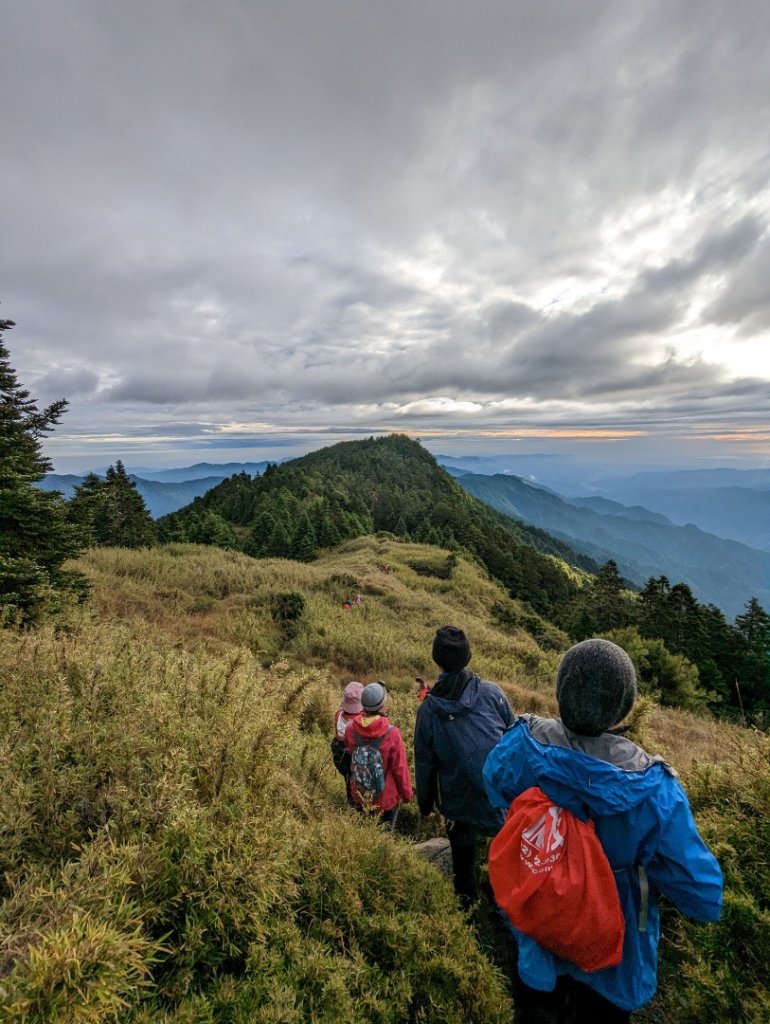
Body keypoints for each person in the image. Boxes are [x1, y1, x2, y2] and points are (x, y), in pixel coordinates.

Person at [483, 638, 723, 1023]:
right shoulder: (655, 792)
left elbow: (494, 786)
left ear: (560, 692)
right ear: (624, 707)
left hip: (538, 928)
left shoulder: (521, 746)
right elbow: (703, 895)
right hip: (613, 960)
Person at [414, 625, 514, 907]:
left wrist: (425, 806)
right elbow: (516, 742)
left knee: (463, 864)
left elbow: (425, 764)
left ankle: (468, 906)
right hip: (499, 800)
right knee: (506, 853)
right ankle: (504, 902)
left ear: (437, 660)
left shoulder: (428, 712)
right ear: (468, 656)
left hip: (457, 803)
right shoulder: (493, 694)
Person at [344, 680, 413, 830]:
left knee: (363, 836)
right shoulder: (392, 733)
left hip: (359, 795)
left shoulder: (350, 730)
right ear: (382, 705)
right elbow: (400, 768)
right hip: (385, 799)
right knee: (385, 840)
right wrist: (407, 795)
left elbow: (351, 757)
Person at [331, 681, 364, 806]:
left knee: (348, 779)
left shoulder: (338, 714)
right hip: (353, 755)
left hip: (340, 756)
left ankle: (351, 802)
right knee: (356, 781)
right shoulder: (360, 720)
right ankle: (357, 805)